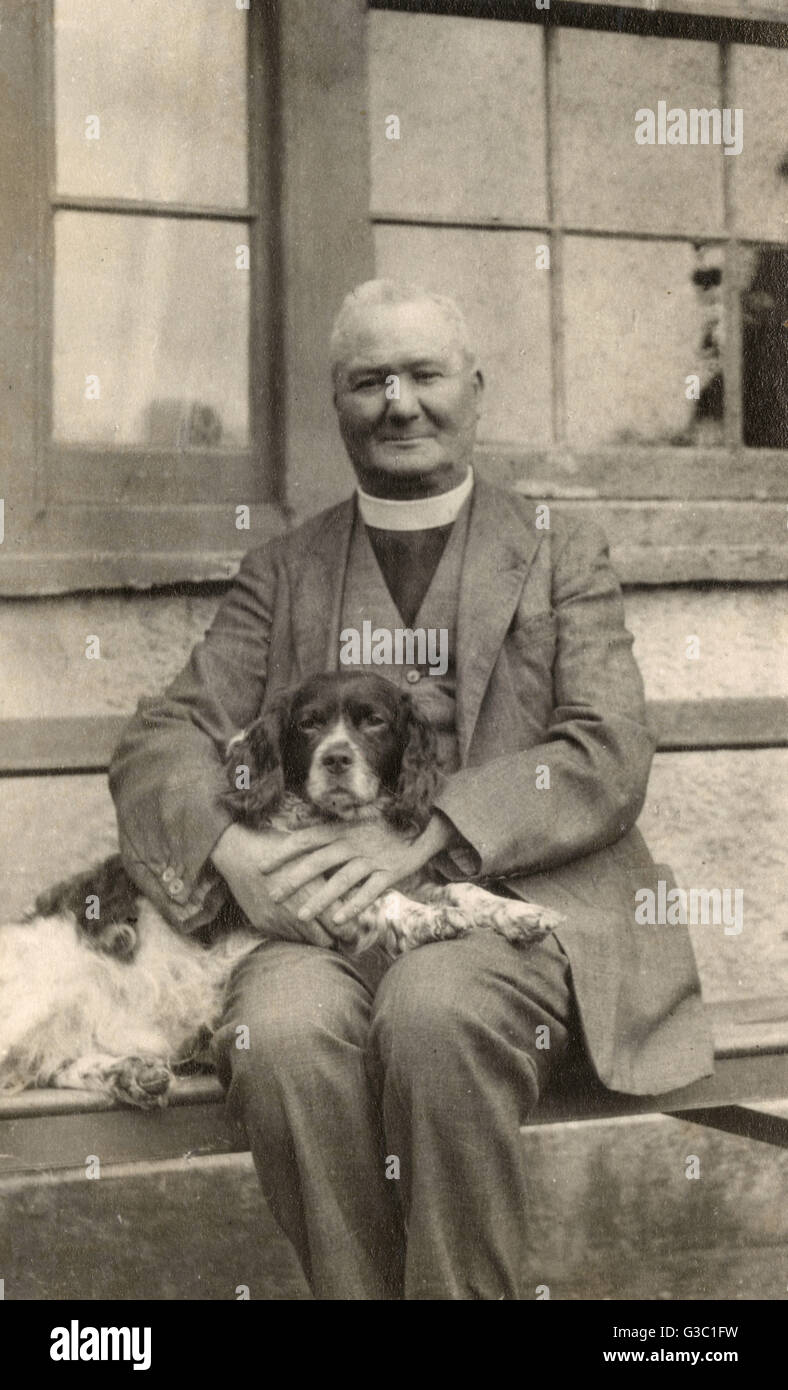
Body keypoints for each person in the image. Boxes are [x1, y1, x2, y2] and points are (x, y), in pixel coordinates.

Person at [109, 279, 713, 1300]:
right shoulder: (284, 571)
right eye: (368, 380)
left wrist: (428, 831)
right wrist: (234, 850)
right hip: (316, 928)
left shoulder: (558, 554)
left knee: (433, 1014)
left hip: (514, 915)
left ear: (474, 390)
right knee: (283, 1038)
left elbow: (606, 748)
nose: (398, 402)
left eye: (423, 374)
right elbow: (163, 736)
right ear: (336, 407)